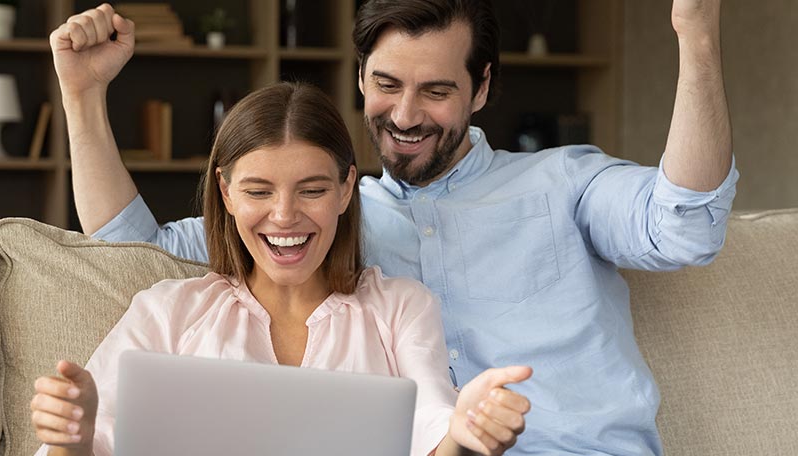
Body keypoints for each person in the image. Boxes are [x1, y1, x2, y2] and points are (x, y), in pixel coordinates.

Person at [56, 0, 737, 454]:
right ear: (358, 77)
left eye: (436, 91)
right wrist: (83, 97)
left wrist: (697, 40)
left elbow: (687, 225)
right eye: (387, 84)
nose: (405, 114)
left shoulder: (563, 183)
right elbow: (129, 251)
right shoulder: (324, 217)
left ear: (482, 89)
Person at [30, 82, 532, 456]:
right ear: (225, 193)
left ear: (344, 189)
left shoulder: (400, 308)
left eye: (312, 190)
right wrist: (70, 441)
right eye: (258, 191)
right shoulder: (169, 311)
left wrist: (466, 436)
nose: (285, 216)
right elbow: (90, 442)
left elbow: (432, 432)